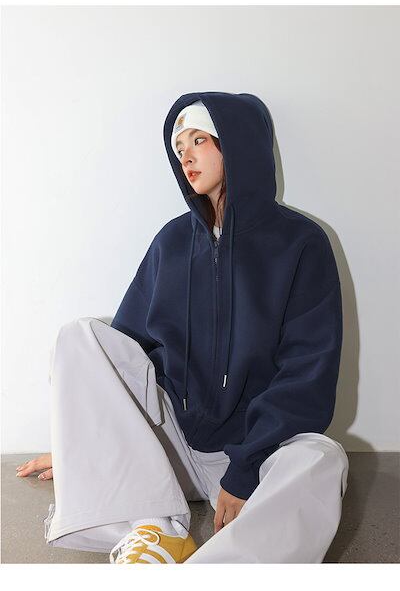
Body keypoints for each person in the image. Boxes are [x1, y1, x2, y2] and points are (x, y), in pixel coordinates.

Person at [16, 92, 349, 564]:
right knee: (80, 335)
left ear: (237, 142)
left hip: (253, 454)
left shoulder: (300, 243)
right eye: (178, 147)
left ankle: (214, 570)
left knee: (323, 458)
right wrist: (83, 443)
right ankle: (157, 530)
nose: (186, 156)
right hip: (166, 454)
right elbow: (124, 353)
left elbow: (308, 371)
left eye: (199, 140)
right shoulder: (171, 241)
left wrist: (247, 467)